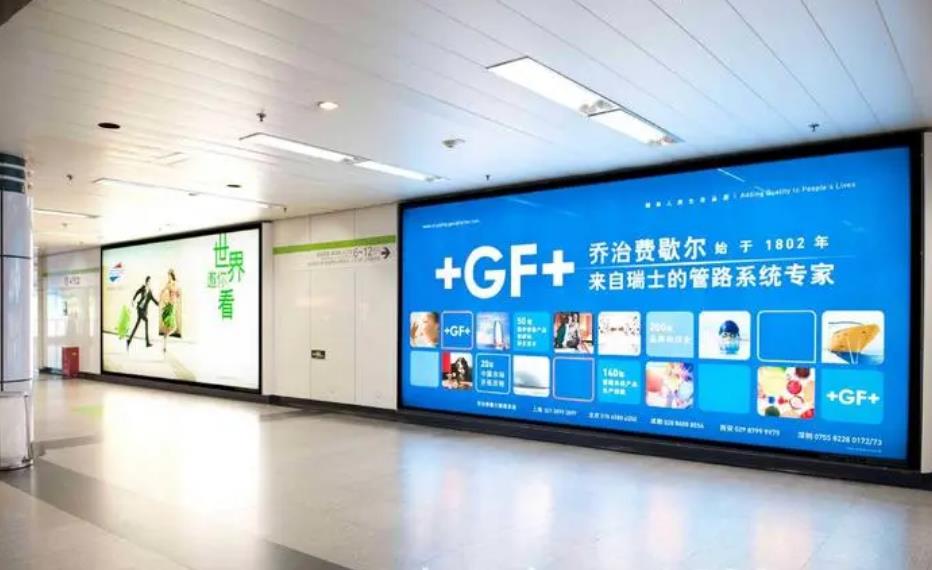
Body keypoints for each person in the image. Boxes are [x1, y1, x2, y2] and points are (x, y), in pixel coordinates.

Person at [126, 276, 158, 349]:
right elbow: (137, 292)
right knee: (146, 320)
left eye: (150, 282)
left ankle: (129, 340)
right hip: (139, 309)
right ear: (146, 282)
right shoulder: (143, 288)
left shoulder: (150, 292)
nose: (149, 283)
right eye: (148, 281)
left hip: (144, 310)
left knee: (137, 325)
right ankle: (147, 342)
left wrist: (161, 304)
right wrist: (133, 300)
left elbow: (154, 300)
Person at [159, 269, 180, 354]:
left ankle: (165, 339)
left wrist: (177, 294)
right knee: (170, 326)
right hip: (170, 305)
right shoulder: (168, 284)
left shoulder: (175, 283)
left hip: (173, 305)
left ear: (172, 275)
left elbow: (178, 294)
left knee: (172, 327)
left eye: (169, 275)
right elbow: (163, 291)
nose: (168, 277)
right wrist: (162, 299)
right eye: (168, 275)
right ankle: (165, 345)